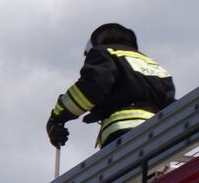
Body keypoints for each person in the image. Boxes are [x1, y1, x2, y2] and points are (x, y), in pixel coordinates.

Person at [47, 23, 175, 151]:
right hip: (159, 133)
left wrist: (58, 117)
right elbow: (170, 101)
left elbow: (91, 88)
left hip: (122, 132)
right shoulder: (151, 63)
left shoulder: (103, 52)